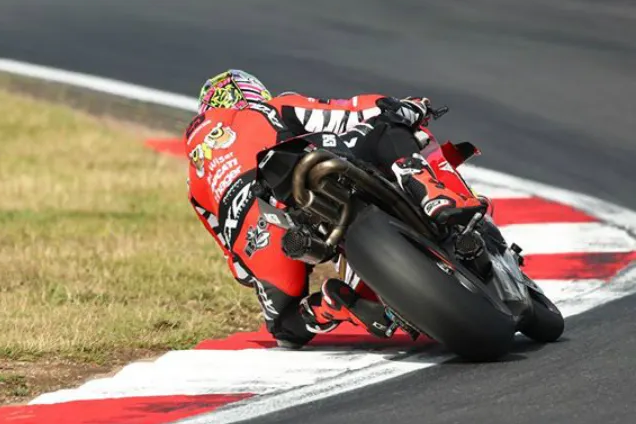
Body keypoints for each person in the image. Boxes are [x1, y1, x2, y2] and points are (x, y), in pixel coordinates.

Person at [185, 69, 486, 348]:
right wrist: (402, 106)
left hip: (257, 234)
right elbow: (345, 112)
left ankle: (330, 307)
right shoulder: (266, 108)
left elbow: (237, 266)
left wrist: (257, 258)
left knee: (284, 327)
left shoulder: (194, 180)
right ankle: (430, 192)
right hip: (301, 174)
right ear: (249, 93)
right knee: (386, 126)